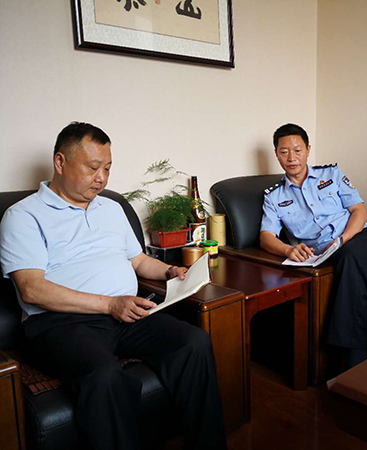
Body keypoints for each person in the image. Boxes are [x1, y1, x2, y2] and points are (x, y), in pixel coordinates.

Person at [0, 123, 226, 450]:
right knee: (105, 375)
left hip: (125, 313)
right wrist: (109, 304)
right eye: (93, 168)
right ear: (60, 162)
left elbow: (138, 261)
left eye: (107, 168)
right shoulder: (23, 216)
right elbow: (32, 290)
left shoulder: (111, 208)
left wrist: (171, 271)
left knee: (194, 342)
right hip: (60, 323)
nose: (101, 178)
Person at [260, 123, 367, 369]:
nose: (291, 157)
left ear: (308, 150)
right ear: (276, 154)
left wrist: (343, 239)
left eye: (297, 150)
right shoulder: (274, 196)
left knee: (351, 256)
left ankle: (350, 358)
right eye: (284, 152)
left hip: (362, 237)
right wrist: (288, 249)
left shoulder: (332, 174)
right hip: (328, 254)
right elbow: (266, 236)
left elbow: (360, 211)